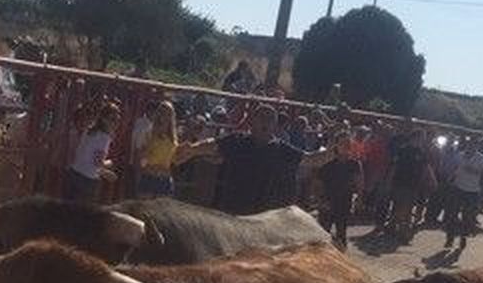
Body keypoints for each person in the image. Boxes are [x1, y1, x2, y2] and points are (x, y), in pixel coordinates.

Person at [183, 104, 333, 216]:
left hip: (263, 217)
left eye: (270, 120)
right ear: (253, 121)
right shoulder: (237, 140)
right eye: (262, 118)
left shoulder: (281, 149)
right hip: (232, 211)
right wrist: (191, 149)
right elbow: (212, 145)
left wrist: (335, 147)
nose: (265, 123)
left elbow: (312, 159)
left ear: (275, 125)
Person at [315, 129, 362, 248]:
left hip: (344, 202)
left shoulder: (354, 164)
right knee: (323, 234)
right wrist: (320, 200)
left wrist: (359, 199)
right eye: (343, 143)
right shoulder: (327, 162)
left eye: (348, 143)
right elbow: (317, 184)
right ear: (336, 145)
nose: (346, 146)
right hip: (327, 202)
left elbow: (359, 183)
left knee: (341, 234)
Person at [67, 103, 116, 203]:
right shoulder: (104, 137)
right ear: (104, 119)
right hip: (87, 180)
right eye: (112, 119)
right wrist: (109, 168)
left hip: (74, 173)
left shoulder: (89, 130)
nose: (114, 123)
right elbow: (97, 162)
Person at [446, 137, 483, 251]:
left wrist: (475, 171)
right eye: (469, 145)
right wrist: (450, 178)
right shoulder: (459, 156)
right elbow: (453, 169)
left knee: (467, 217)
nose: (470, 147)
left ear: (477, 147)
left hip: (473, 191)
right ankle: (450, 238)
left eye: (473, 145)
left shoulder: (482, 159)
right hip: (458, 188)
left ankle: (463, 237)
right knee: (452, 214)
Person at [135, 100, 180, 196]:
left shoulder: (173, 137)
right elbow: (141, 155)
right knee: (144, 209)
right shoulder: (149, 132)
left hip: (165, 179)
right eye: (162, 112)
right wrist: (147, 167)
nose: (165, 116)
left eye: (168, 113)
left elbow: (174, 158)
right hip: (149, 177)